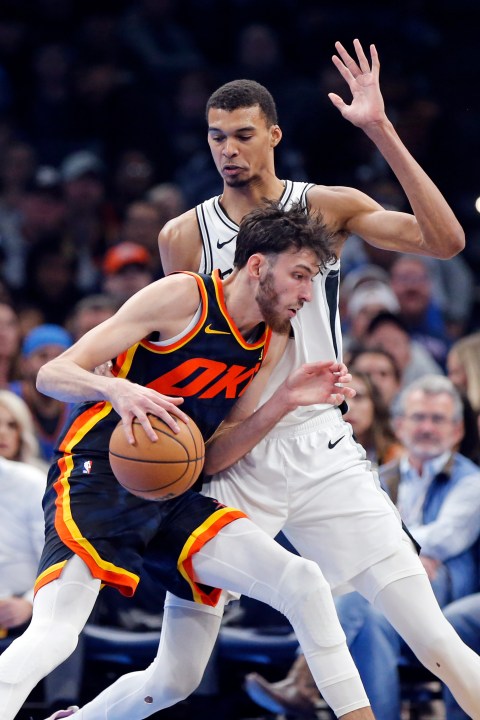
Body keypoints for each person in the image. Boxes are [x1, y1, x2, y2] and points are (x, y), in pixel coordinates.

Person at [155, 38, 480, 720]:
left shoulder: (324, 208)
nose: (228, 150)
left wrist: (380, 130)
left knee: (434, 638)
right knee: (177, 673)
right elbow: (183, 358)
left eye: (243, 135)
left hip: (320, 446)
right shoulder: (182, 236)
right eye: (216, 137)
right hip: (235, 454)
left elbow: (446, 241)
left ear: (273, 134)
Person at [0, 203, 372, 720]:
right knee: (55, 633)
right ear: (259, 266)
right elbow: (52, 374)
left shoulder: (270, 341)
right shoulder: (183, 295)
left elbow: (214, 455)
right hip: (100, 472)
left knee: (216, 648)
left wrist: (284, 401)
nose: (308, 294)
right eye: (301, 275)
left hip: (175, 489)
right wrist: (116, 389)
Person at [246, 375, 480, 719]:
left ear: (458, 431)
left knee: (357, 585)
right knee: (368, 618)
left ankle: (304, 679)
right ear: (398, 425)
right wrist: (387, 547)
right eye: (418, 418)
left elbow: (447, 536)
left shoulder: (469, 480)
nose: (427, 428)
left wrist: (399, 548)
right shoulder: (378, 475)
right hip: (389, 585)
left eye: (438, 419)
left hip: (443, 584)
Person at [342, 370, 403, 468]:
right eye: (340, 397)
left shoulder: (398, 459)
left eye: (358, 397)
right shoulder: (316, 454)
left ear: (375, 404)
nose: (349, 407)